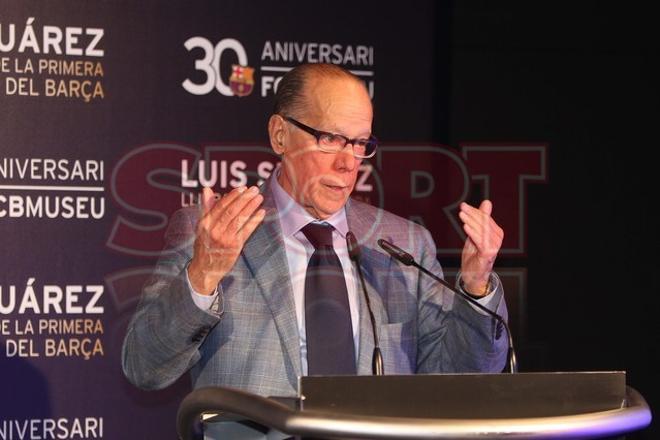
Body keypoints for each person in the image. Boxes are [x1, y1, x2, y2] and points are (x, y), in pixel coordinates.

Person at [122, 63, 509, 399]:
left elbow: (461, 380)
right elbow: (144, 367)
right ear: (279, 135)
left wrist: (476, 289)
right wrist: (203, 276)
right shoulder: (211, 231)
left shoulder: (403, 244)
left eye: (360, 144)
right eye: (329, 139)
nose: (347, 163)